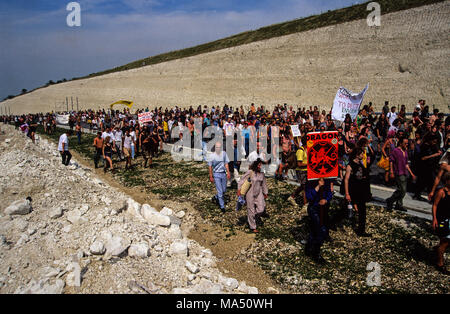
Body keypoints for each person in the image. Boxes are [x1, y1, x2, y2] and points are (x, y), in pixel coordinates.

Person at [304, 178, 333, 264]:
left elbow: (329, 193)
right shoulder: (310, 182)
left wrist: (326, 200)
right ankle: (316, 253)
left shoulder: (326, 181)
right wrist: (318, 186)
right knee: (321, 229)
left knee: (314, 230)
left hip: (323, 208)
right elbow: (309, 197)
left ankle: (309, 248)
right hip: (314, 208)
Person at [345, 147, 371, 237]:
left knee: (362, 211)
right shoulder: (350, 165)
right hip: (354, 190)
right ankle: (332, 222)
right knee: (345, 210)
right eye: (361, 154)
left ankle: (361, 230)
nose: (363, 155)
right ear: (357, 155)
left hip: (361, 190)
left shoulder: (360, 163)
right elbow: (346, 180)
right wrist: (347, 193)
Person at [237, 158, 268, 233]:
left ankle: (253, 216)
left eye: (261, 165)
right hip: (250, 193)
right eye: (259, 164)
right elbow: (242, 181)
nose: (260, 166)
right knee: (250, 209)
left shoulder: (262, 173)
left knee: (261, 208)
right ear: (256, 165)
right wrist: (239, 190)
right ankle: (252, 226)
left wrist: (265, 192)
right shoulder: (250, 172)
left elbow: (264, 184)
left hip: (259, 192)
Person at [386, 137, 417, 212]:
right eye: (405, 143)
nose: (406, 145)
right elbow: (391, 161)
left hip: (404, 172)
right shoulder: (396, 151)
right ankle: (390, 200)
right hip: (398, 172)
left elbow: (406, 164)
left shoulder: (405, 151)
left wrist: (412, 173)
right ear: (400, 143)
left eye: (407, 143)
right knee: (401, 190)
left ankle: (399, 204)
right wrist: (391, 172)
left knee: (403, 190)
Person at [431, 172, 450, 275]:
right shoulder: (441, 192)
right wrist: (434, 219)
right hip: (442, 220)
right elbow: (435, 205)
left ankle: (438, 250)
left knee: (446, 242)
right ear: (447, 181)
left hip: (449, 220)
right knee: (445, 241)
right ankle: (440, 263)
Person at [208, 142, 231, 213]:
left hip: (223, 173)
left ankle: (216, 197)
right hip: (216, 174)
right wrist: (211, 176)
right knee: (220, 191)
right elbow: (210, 166)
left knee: (224, 190)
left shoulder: (224, 154)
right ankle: (222, 206)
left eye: (219, 147)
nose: (218, 148)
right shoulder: (212, 156)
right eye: (217, 147)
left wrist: (228, 172)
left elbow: (226, 163)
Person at [287, 136, 308, 210]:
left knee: (303, 186)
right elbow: (299, 164)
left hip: (306, 170)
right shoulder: (300, 151)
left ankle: (292, 197)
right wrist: (309, 163)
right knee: (305, 187)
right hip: (301, 171)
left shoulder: (306, 150)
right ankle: (305, 205)